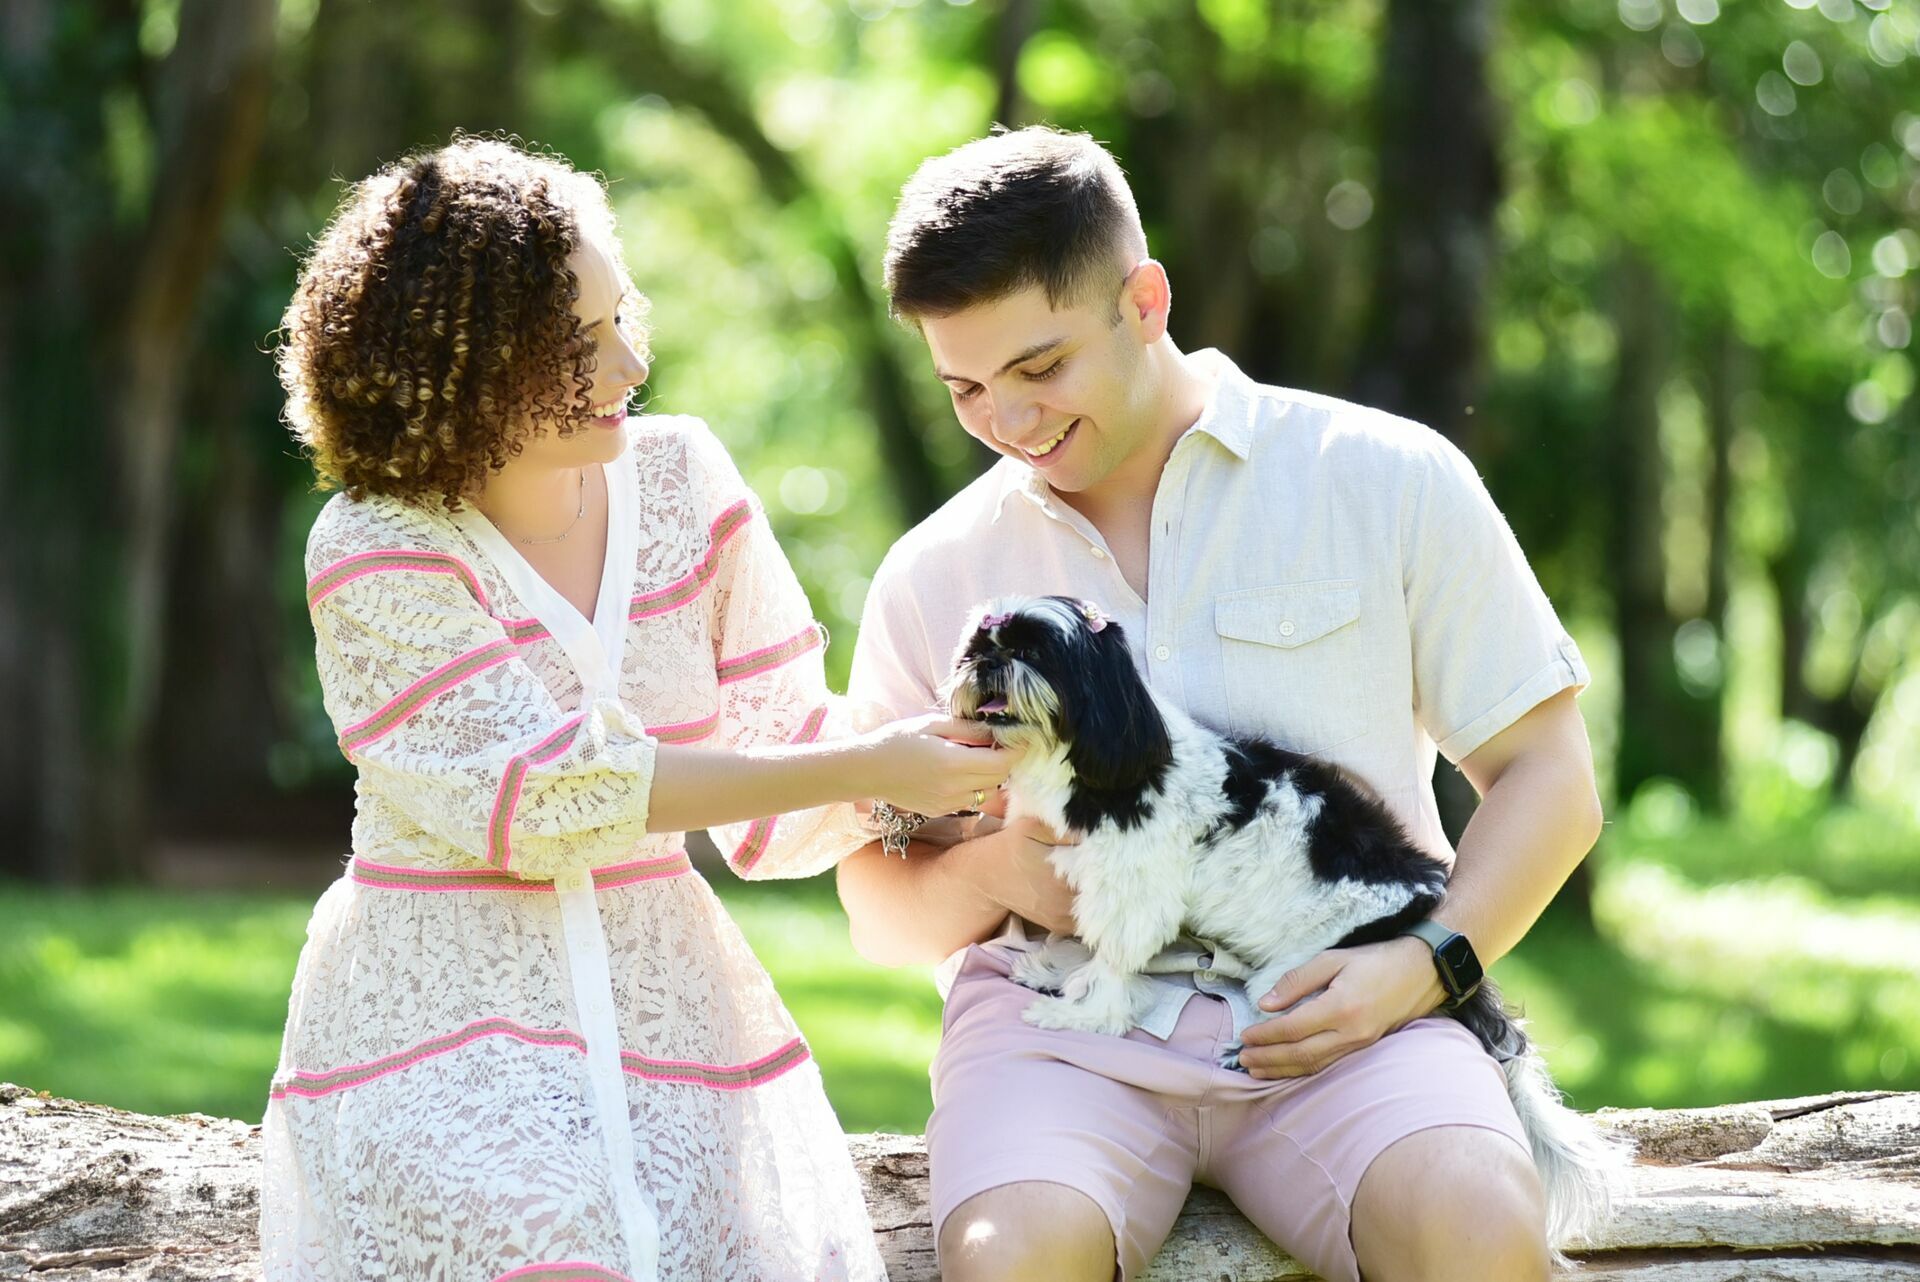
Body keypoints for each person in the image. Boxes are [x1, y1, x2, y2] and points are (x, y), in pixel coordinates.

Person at [838, 126, 1605, 1282]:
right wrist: (995, 876)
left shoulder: (1384, 477)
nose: (1006, 420)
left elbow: (1549, 776)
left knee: (1476, 1227)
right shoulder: (936, 571)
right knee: (1010, 1259)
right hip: (1061, 1041)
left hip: (1353, 1016)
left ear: (1142, 302)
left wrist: (1429, 965)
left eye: (1040, 368)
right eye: (964, 388)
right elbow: (874, 903)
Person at [259, 136, 1012, 1282]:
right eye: (581, 344)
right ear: (466, 365)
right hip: (439, 1030)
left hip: (668, 1017)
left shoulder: (685, 481)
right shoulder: (373, 545)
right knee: (558, 1243)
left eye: (625, 320)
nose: (627, 366)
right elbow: (546, 799)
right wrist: (872, 768)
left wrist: (955, 781)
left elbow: (776, 794)